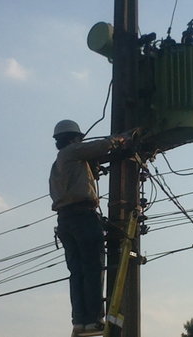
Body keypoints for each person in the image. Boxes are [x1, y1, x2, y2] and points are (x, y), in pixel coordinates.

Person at [49, 119, 127, 336]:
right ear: (75, 139)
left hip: (65, 220)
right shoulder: (73, 152)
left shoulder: (58, 165)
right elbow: (101, 146)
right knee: (92, 268)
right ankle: (94, 318)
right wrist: (122, 138)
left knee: (77, 272)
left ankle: (80, 321)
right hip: (82, 216)